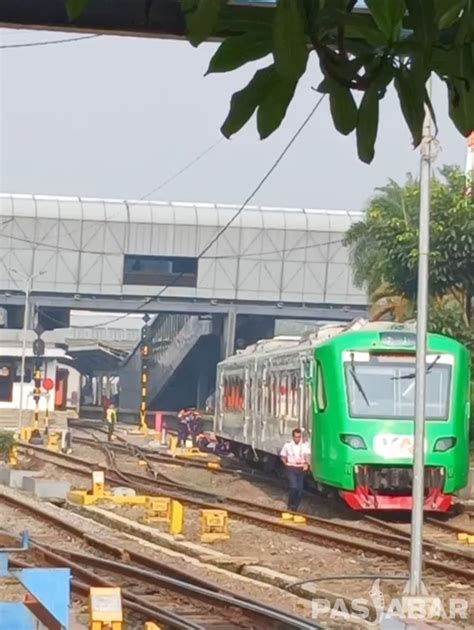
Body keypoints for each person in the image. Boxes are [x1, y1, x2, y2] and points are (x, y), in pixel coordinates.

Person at [280, 428, 311, 513]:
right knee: (293, 487)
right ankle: (290, 504)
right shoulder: (288, 445)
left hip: (300, 468)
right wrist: (286, 464)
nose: (297, 439)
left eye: (299, 437)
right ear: (293, 437)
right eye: (296, 437)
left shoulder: (304, 446)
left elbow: (307, 456)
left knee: (300, 490)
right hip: (291, 468)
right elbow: (282, 456)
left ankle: (295, 508)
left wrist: (307, 464)